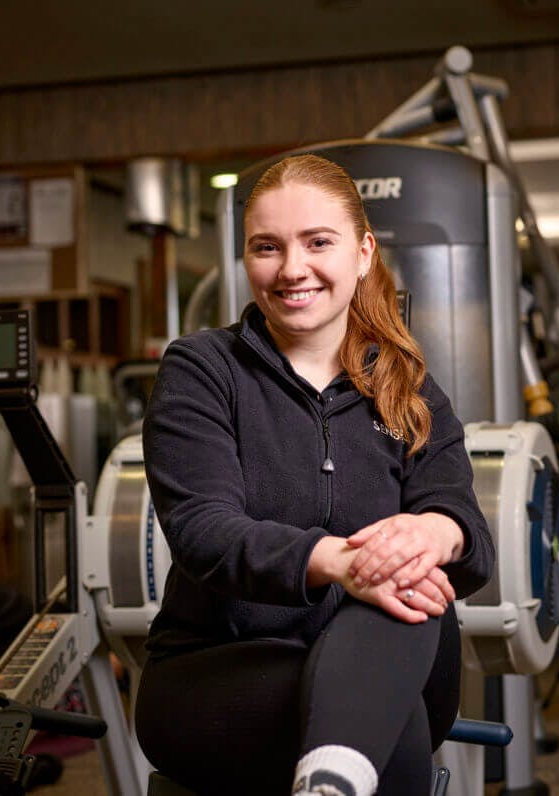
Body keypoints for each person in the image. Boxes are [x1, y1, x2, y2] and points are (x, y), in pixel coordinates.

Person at [136, 154, 494, 796]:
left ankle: (332, 774)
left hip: (388, 648)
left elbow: (467, 532)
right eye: (266, 247)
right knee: (391, 717)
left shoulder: (406, 387)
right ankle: (335, 777)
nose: (292, 268)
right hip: (221, 670)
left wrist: (433, 535)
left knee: (399, 598)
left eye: (317, 242)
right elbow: (204, 532)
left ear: (363, 252)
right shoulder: (202, 370)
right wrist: (344, 562)